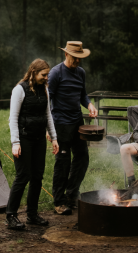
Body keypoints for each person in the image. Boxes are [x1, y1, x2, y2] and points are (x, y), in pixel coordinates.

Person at [6, 58, 60, 230]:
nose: (46, 78)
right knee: (23, 176)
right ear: (34, 73)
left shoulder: (44, 90)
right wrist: (15, 142)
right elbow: (13, 119)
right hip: (23, 139)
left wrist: (54, 138)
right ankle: (11, 215)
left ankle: (32, 214)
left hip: (38, 140)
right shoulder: (19, 90)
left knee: (37, 176)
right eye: (44, 75)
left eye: (47, 75)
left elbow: (48, 116)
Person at [47, 41, 98, 215]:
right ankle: (59, 202)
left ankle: (71, 194)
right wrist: (49, 129)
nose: (78, 61)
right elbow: (47, 100)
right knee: (63, 162)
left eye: (80, 58)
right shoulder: (55, 73)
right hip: (60, 123)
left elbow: (82, 94)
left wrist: (89, 104)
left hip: (77, 121)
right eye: (75, 58)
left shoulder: (80, 73)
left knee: (82, 158)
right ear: (66, 55)